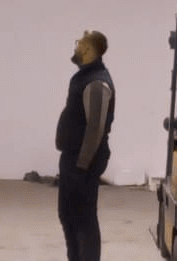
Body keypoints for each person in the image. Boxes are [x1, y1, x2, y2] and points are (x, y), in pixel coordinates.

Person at [56, 29, 115, 261]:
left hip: (84, 162)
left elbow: (95, 129)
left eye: (79, 42)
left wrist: (82, 165)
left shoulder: (98, 82)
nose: (76, 45)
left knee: (84, 220)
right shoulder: (83, 77)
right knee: (68, 216)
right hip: (72, 159)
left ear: (89, 49)